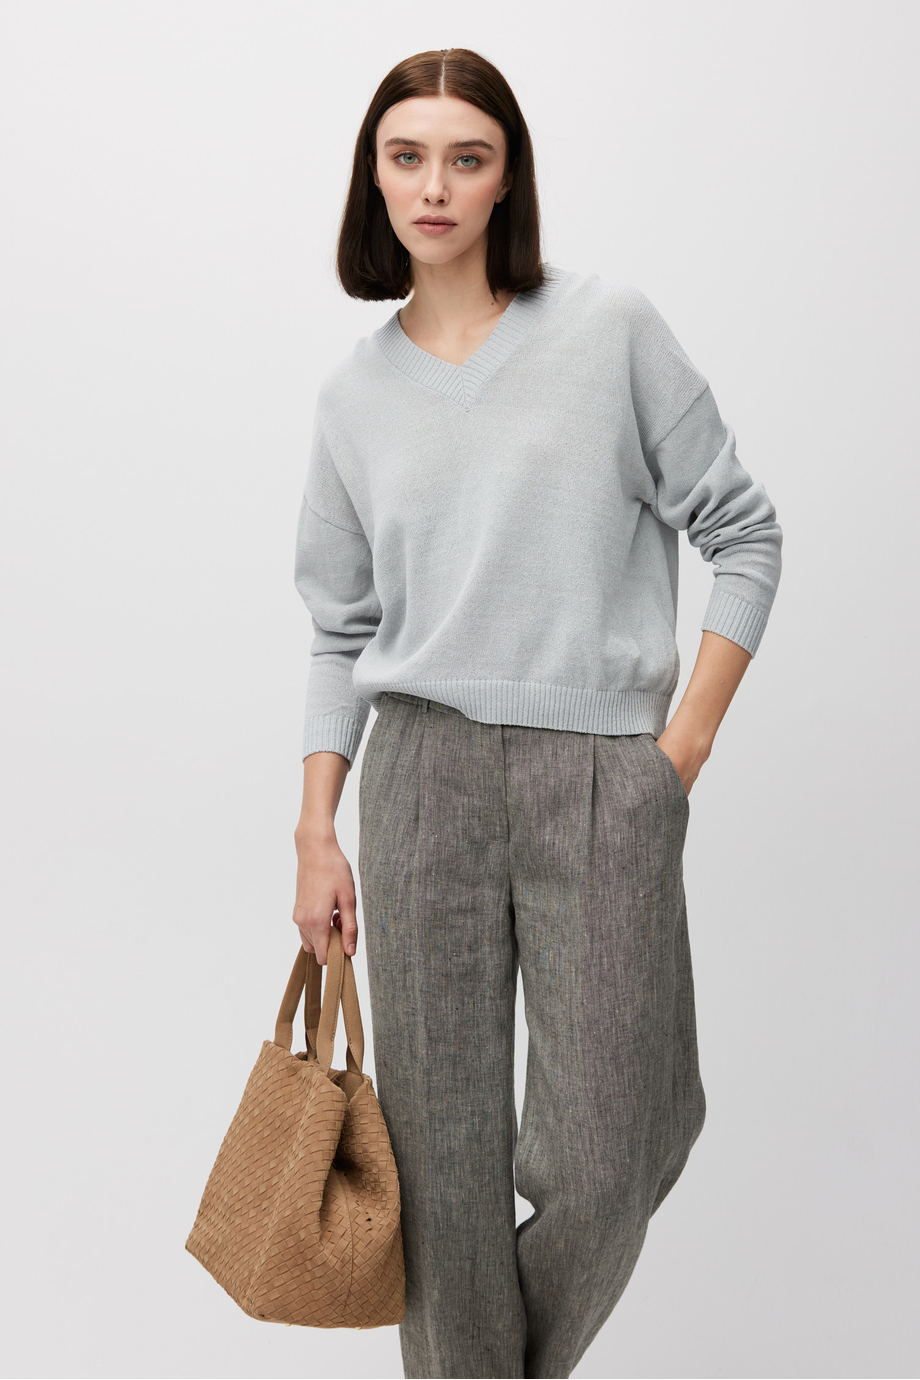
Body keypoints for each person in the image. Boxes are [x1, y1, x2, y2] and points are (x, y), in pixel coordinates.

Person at [291, 46, 783, 1380]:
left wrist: (679, 752)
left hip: (604, 774)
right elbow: (338, 628)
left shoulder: (608, 329)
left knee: (618, 1149)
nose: (433, 186)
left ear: (507, 178)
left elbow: (745, 535)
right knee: (439, 1169)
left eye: (467, 157)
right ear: (373, 178)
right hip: (420, 782)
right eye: (406, 157)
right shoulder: (354, 398)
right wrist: (316, 831)